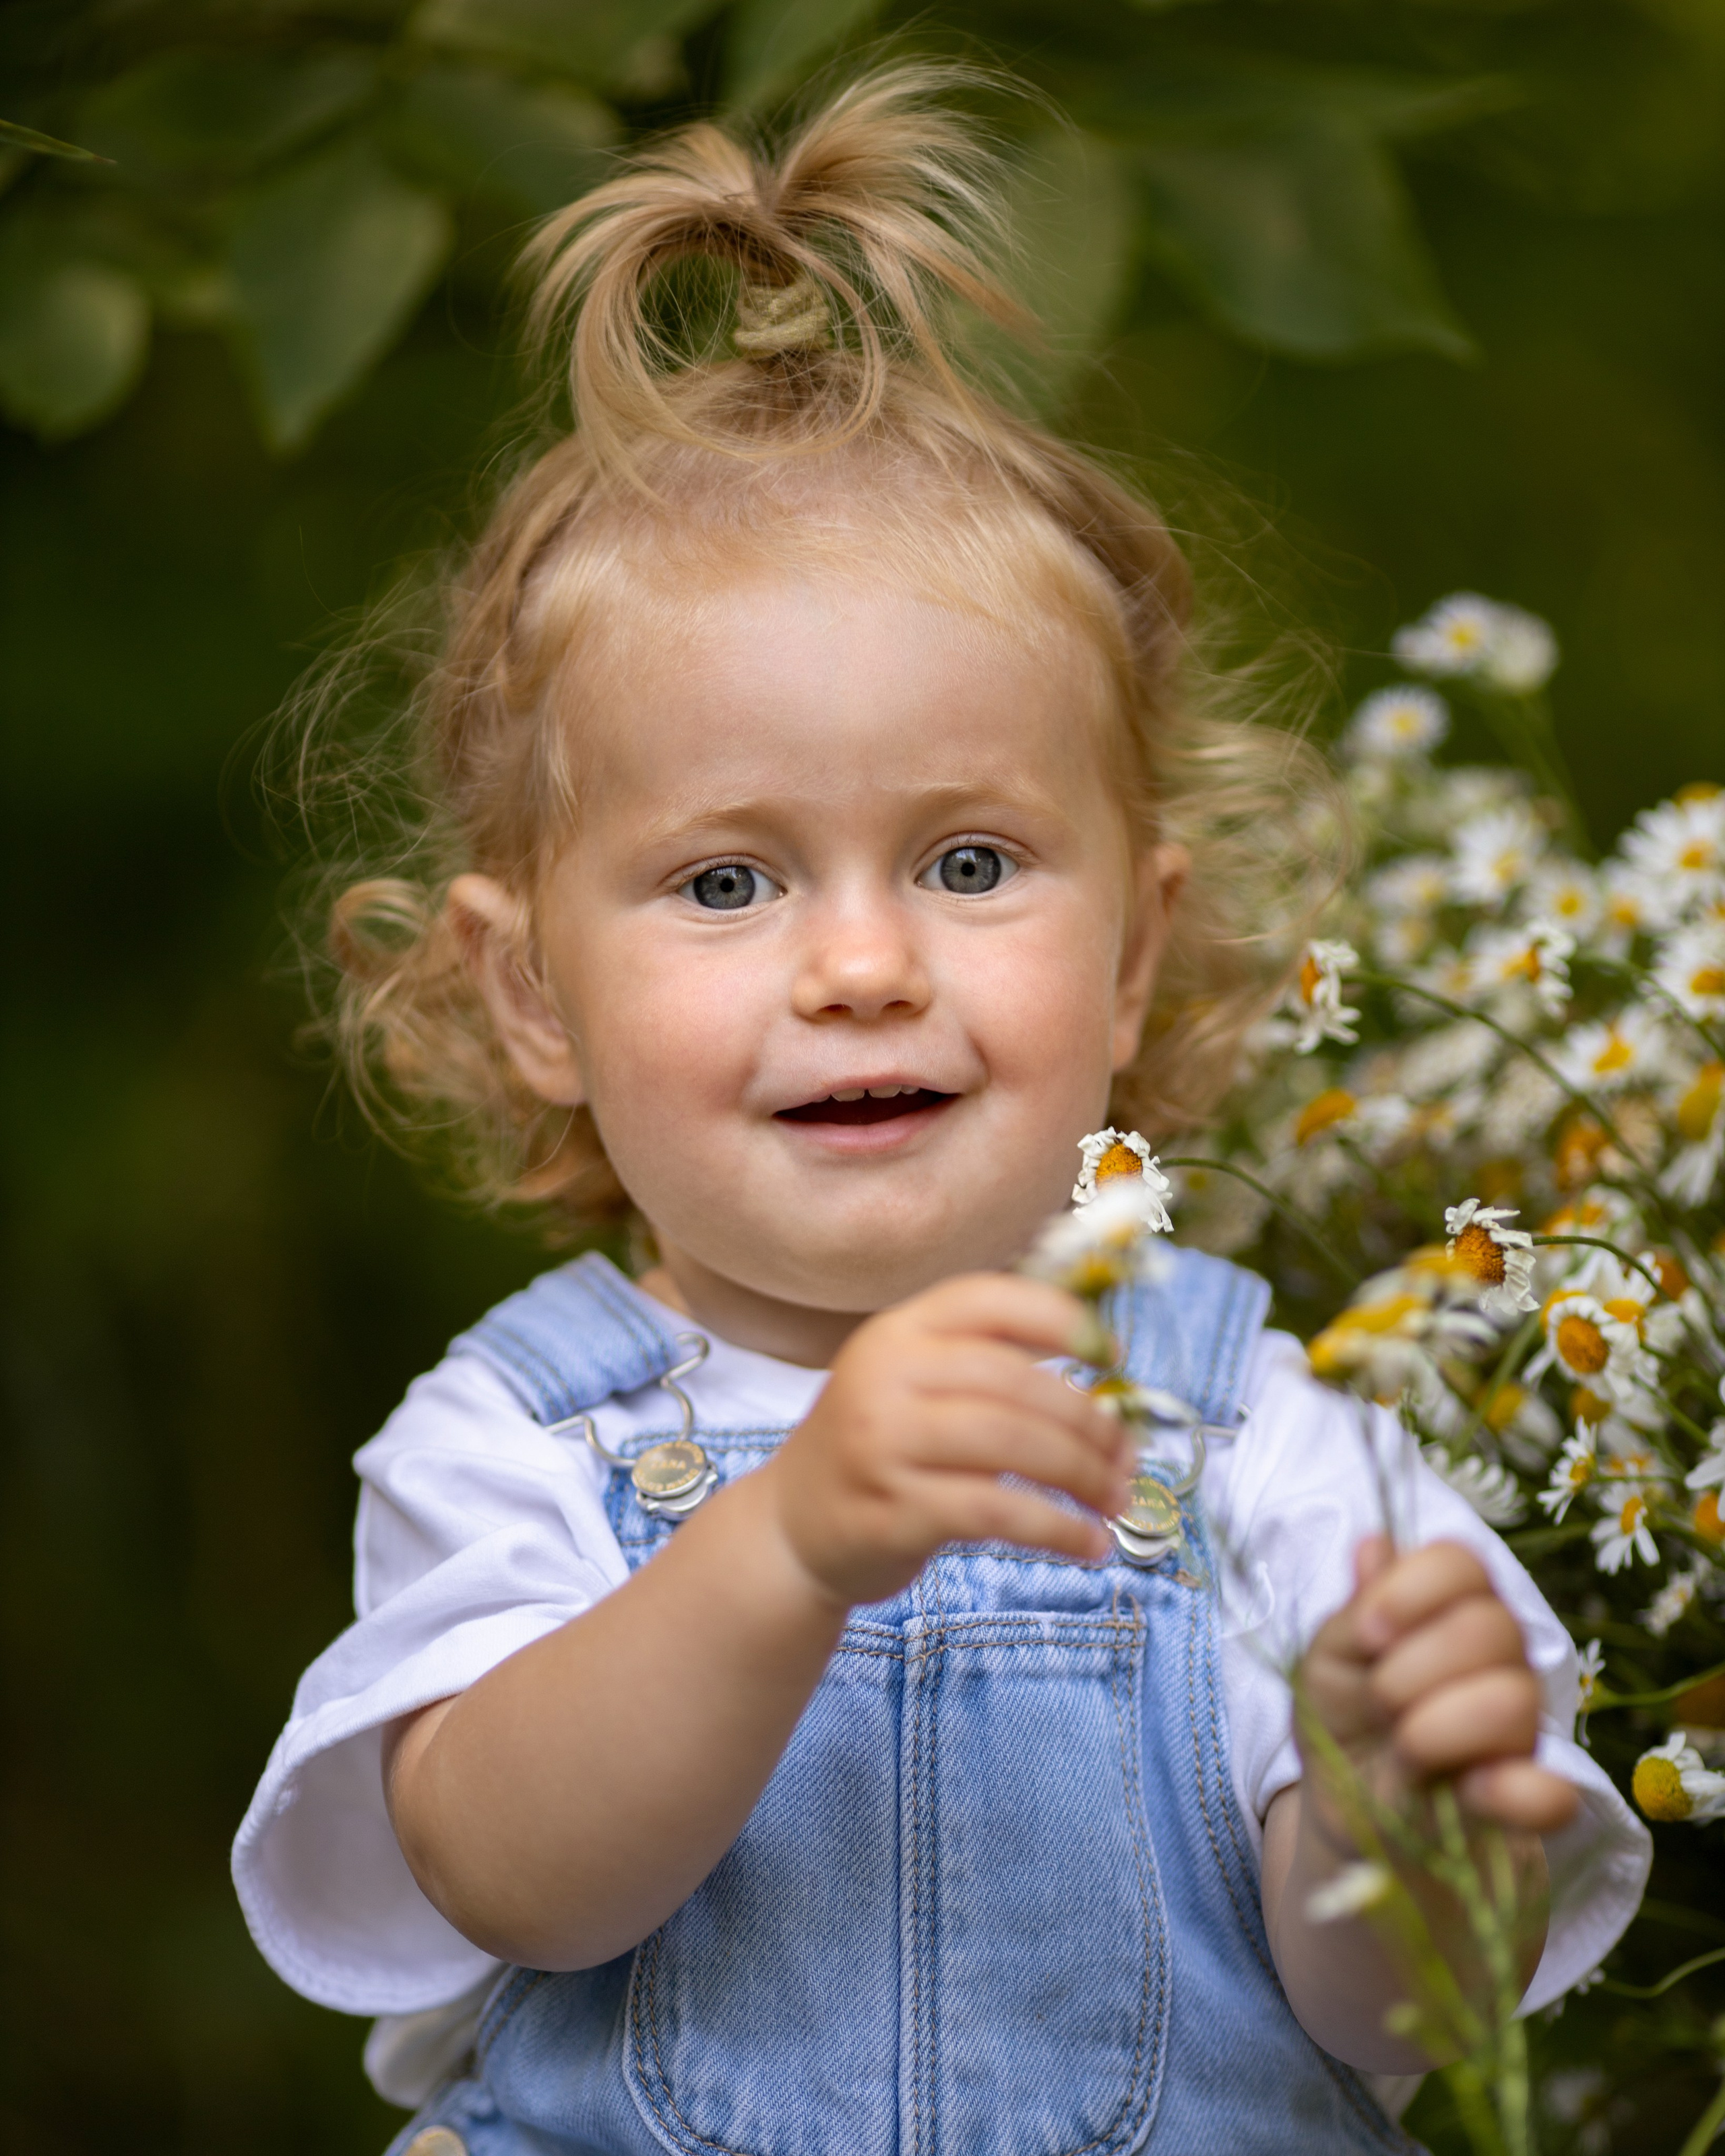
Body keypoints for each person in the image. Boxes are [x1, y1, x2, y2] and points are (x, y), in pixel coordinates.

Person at [233, 67, 1648, 2156]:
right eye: (728, 881)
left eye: (973, 864)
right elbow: (515, 1874)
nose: (863, 963)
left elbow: (1399, 2015)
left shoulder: (1277, 1449)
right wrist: (785, 1544)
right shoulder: (515, 1451)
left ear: (1137, 953)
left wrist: (1398, 1805)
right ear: (532, 989)